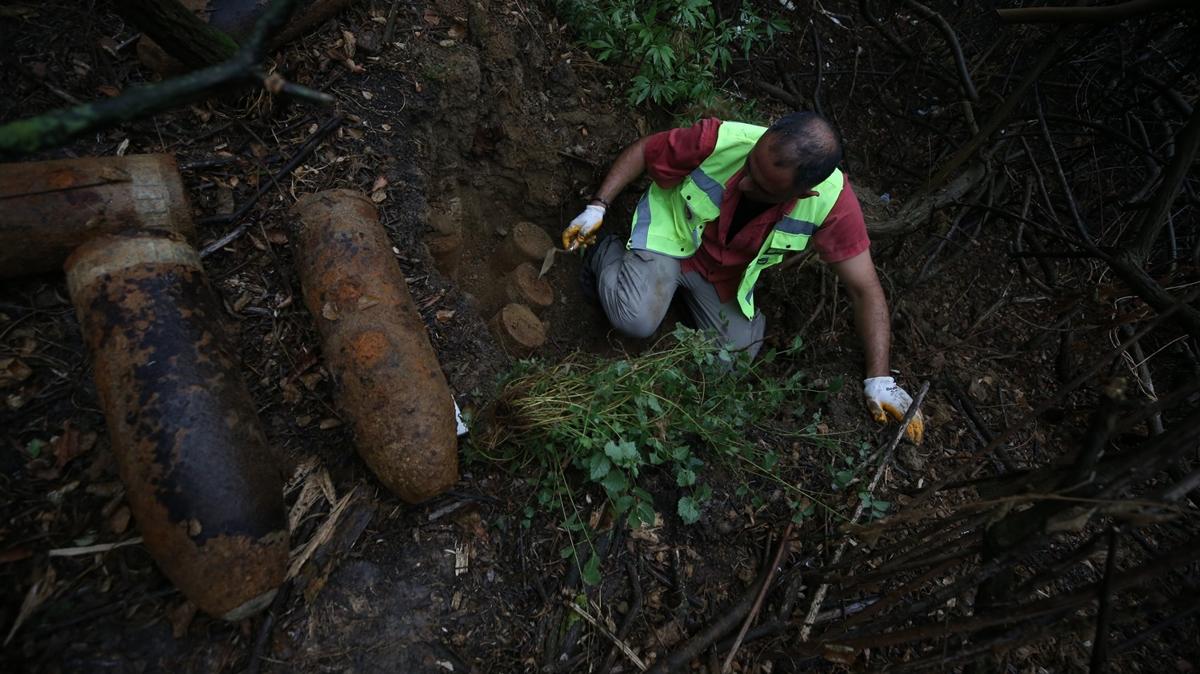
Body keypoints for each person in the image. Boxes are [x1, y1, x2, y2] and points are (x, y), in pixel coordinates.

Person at [561, 113, 924, 443]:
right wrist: (598, 206)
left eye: (764, 188)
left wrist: (879, 378)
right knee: (635, 319)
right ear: (768, 133)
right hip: (671, 238)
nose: (746, 184)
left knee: (731, 365)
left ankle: (681, 305)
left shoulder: (831, 205)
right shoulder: (723, 139)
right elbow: (645, 150)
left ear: (803, 193)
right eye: (750, 167)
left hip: (723, 276)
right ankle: (604, 253)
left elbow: (865, 289)